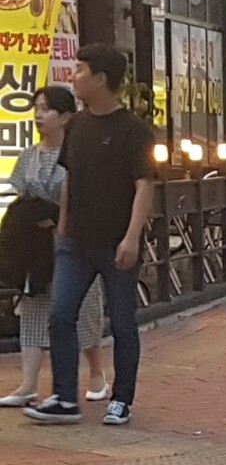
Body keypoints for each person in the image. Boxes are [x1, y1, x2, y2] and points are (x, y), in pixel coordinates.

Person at [25, 43, 155, 426]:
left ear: (101, 79)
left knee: (122, 322)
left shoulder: (134, 130)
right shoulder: (77, 125)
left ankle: (121, 399)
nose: (74, 76)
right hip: (75, 242)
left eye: (80, 70)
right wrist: (64, 224)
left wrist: (132, 237)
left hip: (117, 243)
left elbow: (145, 185)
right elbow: (70, 177)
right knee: (61, 315)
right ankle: (65, 398)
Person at [0, 86, 109, 408]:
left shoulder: (80, 155)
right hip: (34, 247)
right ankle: (28, 384)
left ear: (65, 116)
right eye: (36, 109)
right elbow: (19, 194)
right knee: (33, 308)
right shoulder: (29, 155)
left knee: (83, 309)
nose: (38, 115)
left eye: (46, 109)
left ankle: (97, 373)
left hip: (73, 243)